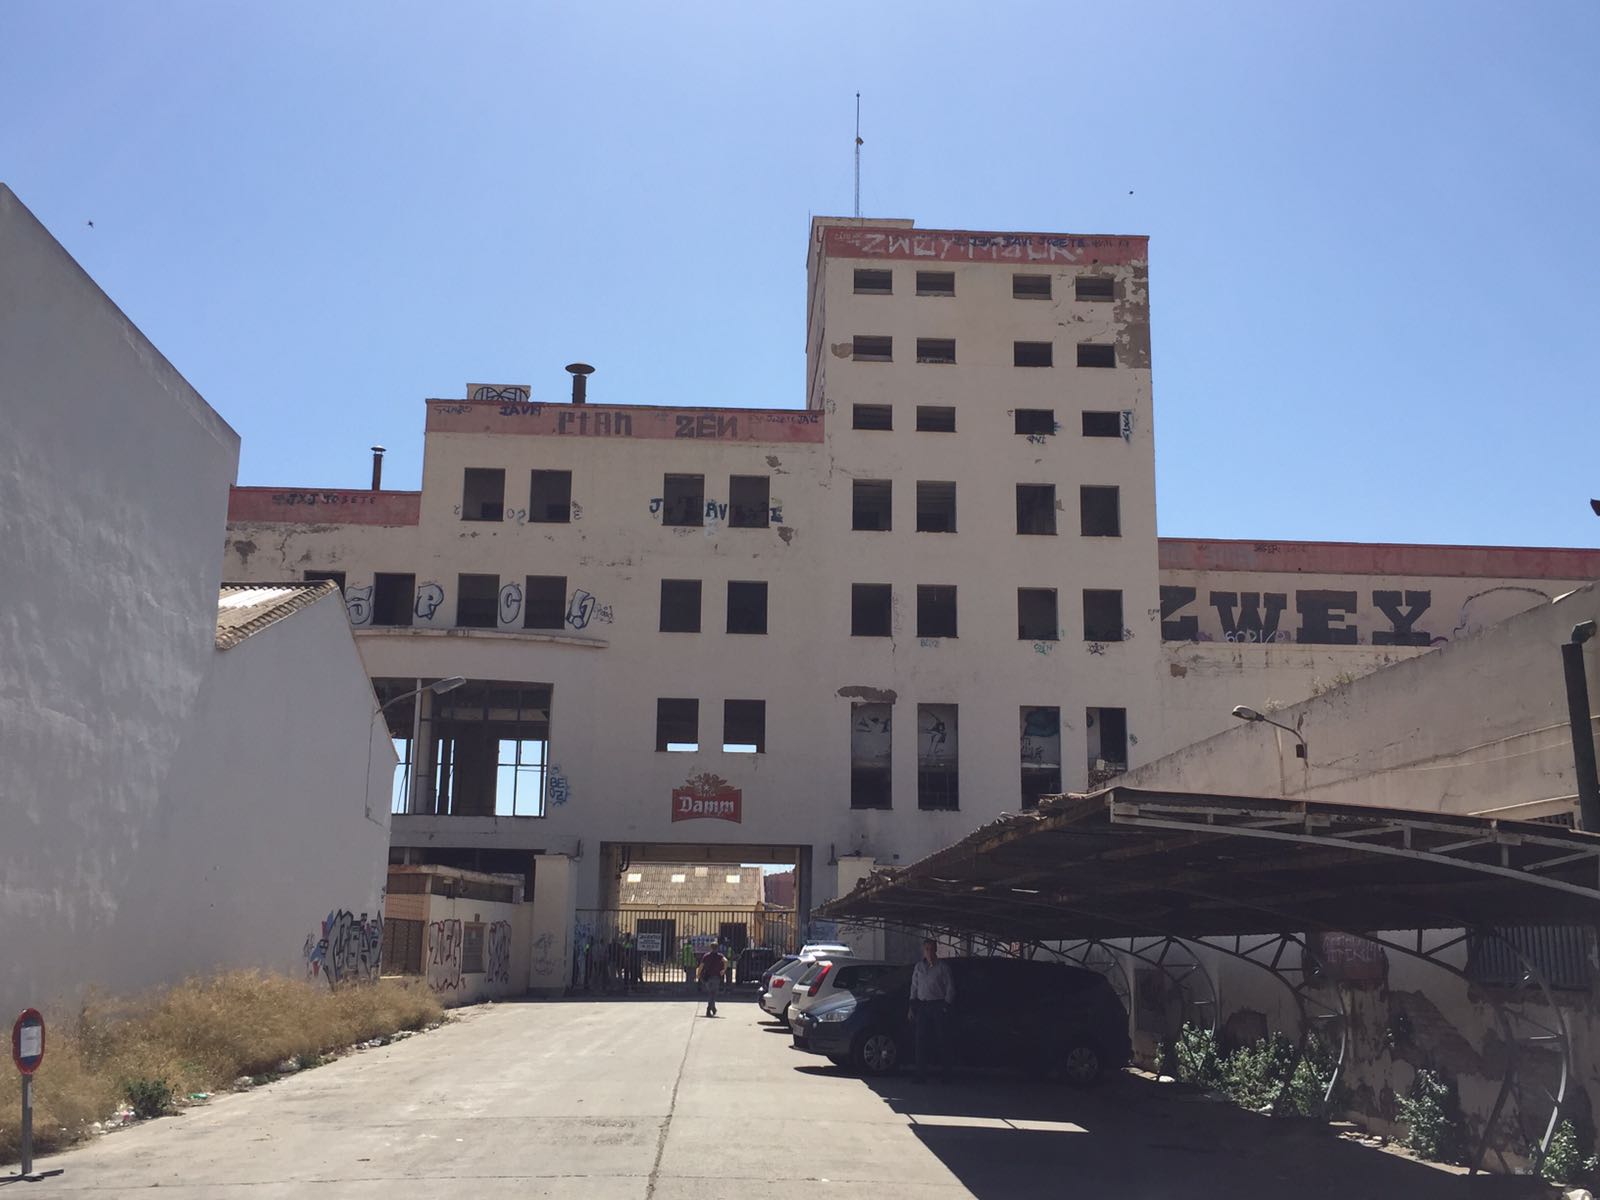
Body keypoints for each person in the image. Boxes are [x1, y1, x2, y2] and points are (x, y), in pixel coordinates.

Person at [907, 938, 955, 1083]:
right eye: (926, 949)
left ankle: (946, 1074)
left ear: (935, 950)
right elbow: (914, 987)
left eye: (931, 949)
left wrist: (946, 1004)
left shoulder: (943, 967)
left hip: (938, 1005)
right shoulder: (919, 967)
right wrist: (911, 1007)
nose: (929, 952)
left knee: (942, 1040)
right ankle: (921, 1074)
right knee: (920, 1040)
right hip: (923, 1005)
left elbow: (950, 987)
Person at [699, 944, 727, 1017]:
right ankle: (708, 1010)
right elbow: (726, 961)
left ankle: (713, 1008)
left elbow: (701, 966)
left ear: (710, 948)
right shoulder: (720, 956)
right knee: (713, 994)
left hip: (707, 977)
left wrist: (698, 974)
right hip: (716, 977)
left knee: (711, 993)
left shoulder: (706, 956)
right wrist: (724, 970)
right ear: (717, 948)